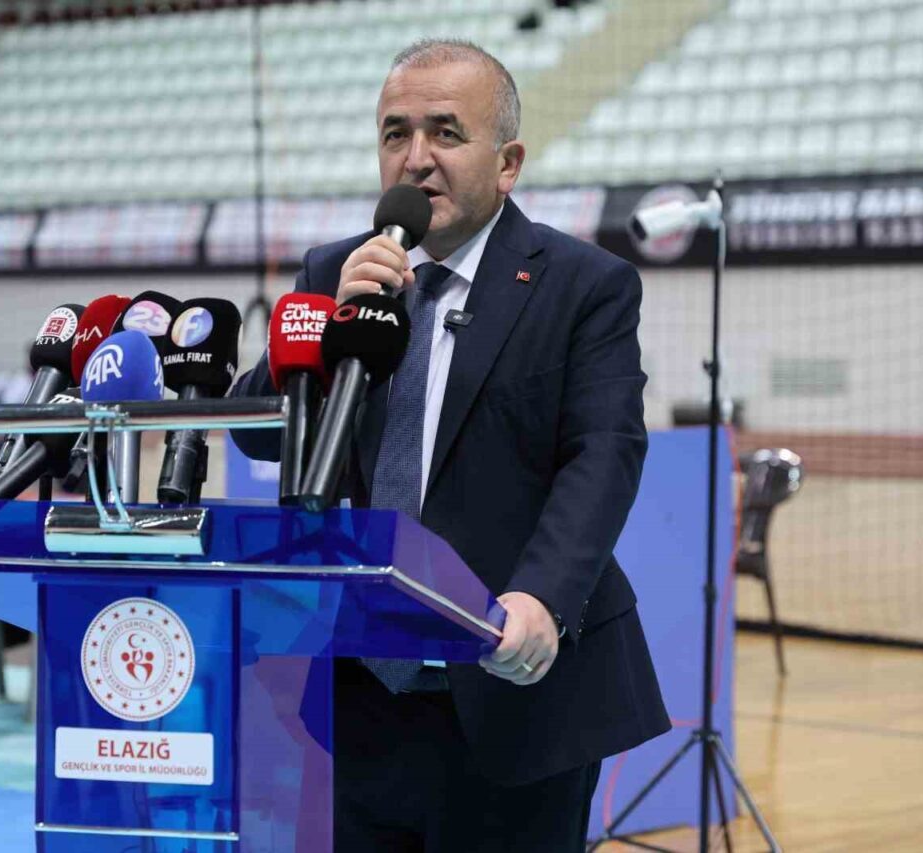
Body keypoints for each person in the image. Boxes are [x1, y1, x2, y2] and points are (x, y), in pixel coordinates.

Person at [231, 40, 669, 852]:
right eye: (395, 133)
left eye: (445, 132)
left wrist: (541, 598)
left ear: (507, 164)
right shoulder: (333, 272)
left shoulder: (584, 285)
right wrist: (326, 335)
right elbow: (255, 428)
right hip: (357, 692)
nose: (416, 158)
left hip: (512, 692)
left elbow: (604, 452)